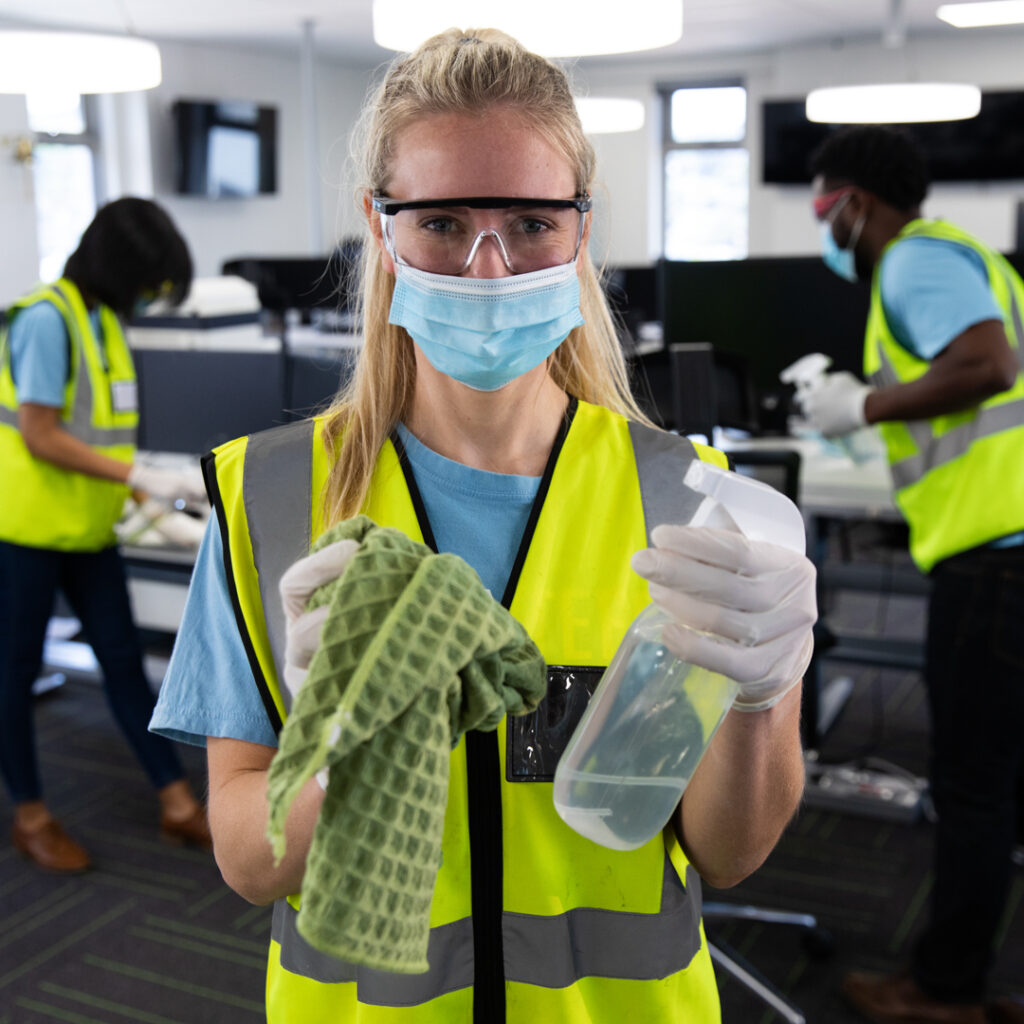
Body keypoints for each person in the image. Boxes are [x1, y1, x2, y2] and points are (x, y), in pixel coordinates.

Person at [150, 28, 816, 1023]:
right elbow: (249, 864)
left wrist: (762, 698)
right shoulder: (270, 496)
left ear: (581, 229)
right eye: (444, 222)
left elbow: (731, 851)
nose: (489, 266)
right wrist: (328, 745)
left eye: (532, 224)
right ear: (382, 228)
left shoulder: (693, 499)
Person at [801, 125, 1024, 1024]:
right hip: (1008, 542)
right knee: (1005, 782)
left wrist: (863, 403)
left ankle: (944, 991)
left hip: (995, 557)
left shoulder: (914, 262)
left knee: (971, 784)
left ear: (856, 204)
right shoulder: (974, 259)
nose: (823, 226)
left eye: (824, 209)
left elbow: (986, 365)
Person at [0, 197, 213, 874]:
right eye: (148, 285)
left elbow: (102, 429)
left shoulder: (106, 324)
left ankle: (178, 803)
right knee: (13, 675)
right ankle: (31, 816)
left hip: (89, 530)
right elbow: (40, 433)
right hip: (24, 533)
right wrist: (138, 473)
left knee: (123, 662)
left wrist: (157, 486)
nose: (151, 300)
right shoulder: (45, 321)